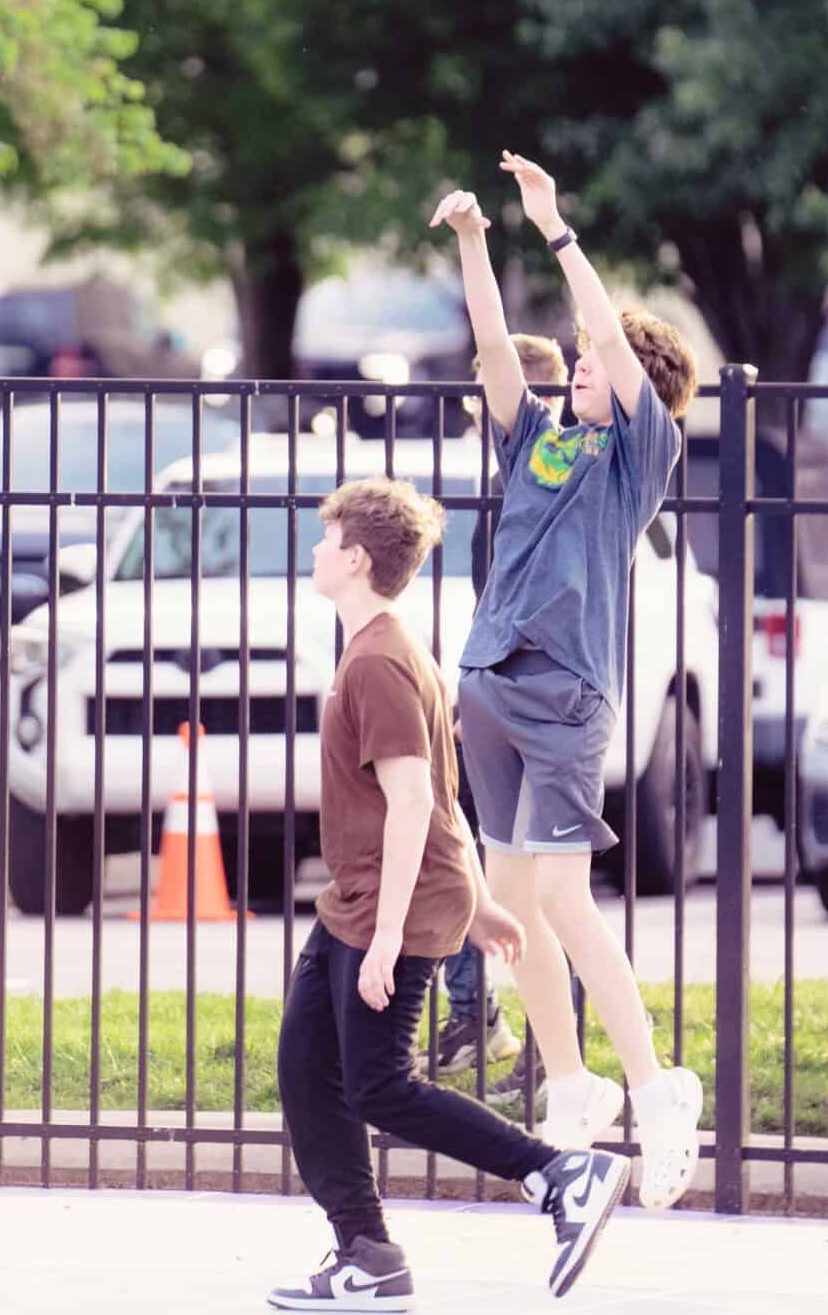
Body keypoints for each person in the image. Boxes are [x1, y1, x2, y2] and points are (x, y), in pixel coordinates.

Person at [271, 477, 633, 1311]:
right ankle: (365, 1252)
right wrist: (476, 901)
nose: (317, 551)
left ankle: (558, 1175)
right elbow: (441, 795)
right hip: (364, 899)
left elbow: (410, 805)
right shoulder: (378, 648)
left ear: (355, 559)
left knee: (380, 1085)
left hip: (384, 908)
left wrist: (394, 936)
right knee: (306, 1067)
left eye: (327, 540)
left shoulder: (379, 664)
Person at [428, 151, 705, 1211]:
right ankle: (572, 1082)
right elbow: (498, 347)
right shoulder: (539, 441)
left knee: (556, 892)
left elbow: (601, 337)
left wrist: (553, 226)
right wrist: (473, 244)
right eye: (585, 360)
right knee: (510, 905)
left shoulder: (640, 451)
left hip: (563, 695)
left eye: (596, 360)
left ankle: (654, 1083)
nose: (580, 366)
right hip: (491, 684)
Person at [430, 333, 571, 1079]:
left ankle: (549, 1039)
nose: (475, 415)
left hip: (540, 703)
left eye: (482, 397)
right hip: (499, 695)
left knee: (541, 878)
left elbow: (540, 609)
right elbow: (497, 605)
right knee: (476, 859)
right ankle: (479, 1016)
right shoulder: (509, 489)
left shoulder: (551, 488)